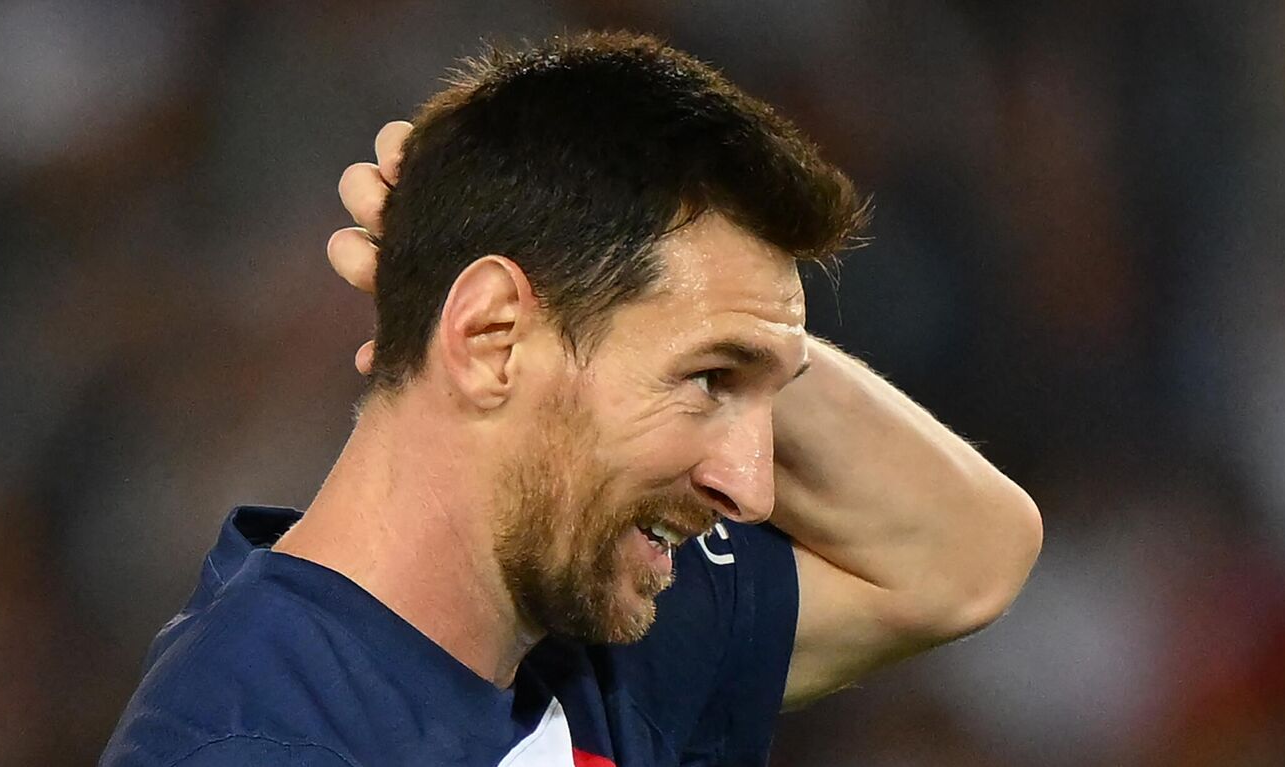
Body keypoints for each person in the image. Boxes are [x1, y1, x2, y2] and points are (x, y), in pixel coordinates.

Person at [101, 32, 1041, 767]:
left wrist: (756, 336)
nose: (754, 490)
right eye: (707, 380)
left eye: (764, 397)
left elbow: (967, 555)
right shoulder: (262, 743)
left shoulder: (592, 631)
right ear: (492, 340)